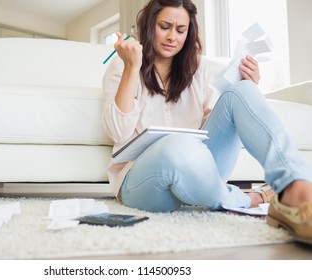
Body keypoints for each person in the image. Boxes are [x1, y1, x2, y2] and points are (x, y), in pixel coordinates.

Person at [102, 0, 312, 244]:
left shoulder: (199, 68)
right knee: (178, 145)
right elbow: (118, 131)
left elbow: (214, 129)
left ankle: (295, 189)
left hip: (195, 168)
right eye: (165, 26)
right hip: (143, 181)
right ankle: (245, 199)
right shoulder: (122, 64)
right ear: (149, 26)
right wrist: (132, 66)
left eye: (181, 30)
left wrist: (248, 88)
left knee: (240, 91)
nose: (172, 37)